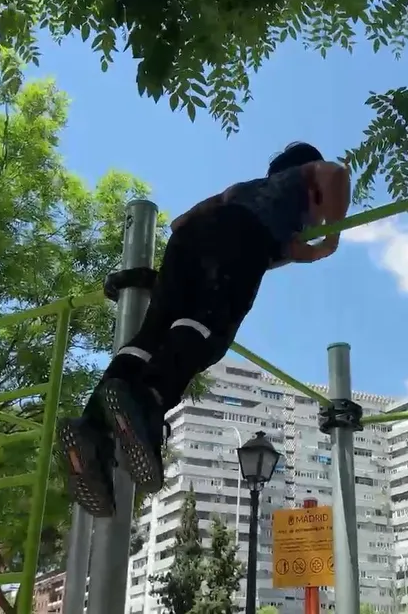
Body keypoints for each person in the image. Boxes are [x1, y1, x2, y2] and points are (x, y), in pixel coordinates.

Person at [60, 142, 350, 517]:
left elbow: (180, 221)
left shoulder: (243, 191)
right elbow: (335, 174)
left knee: (153, 332)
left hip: (188, 241)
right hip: (239, 239)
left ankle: (93, 427)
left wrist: (304, 249)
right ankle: (149, 400)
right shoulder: (301, 182)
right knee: (207, 325)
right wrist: (331, 238)